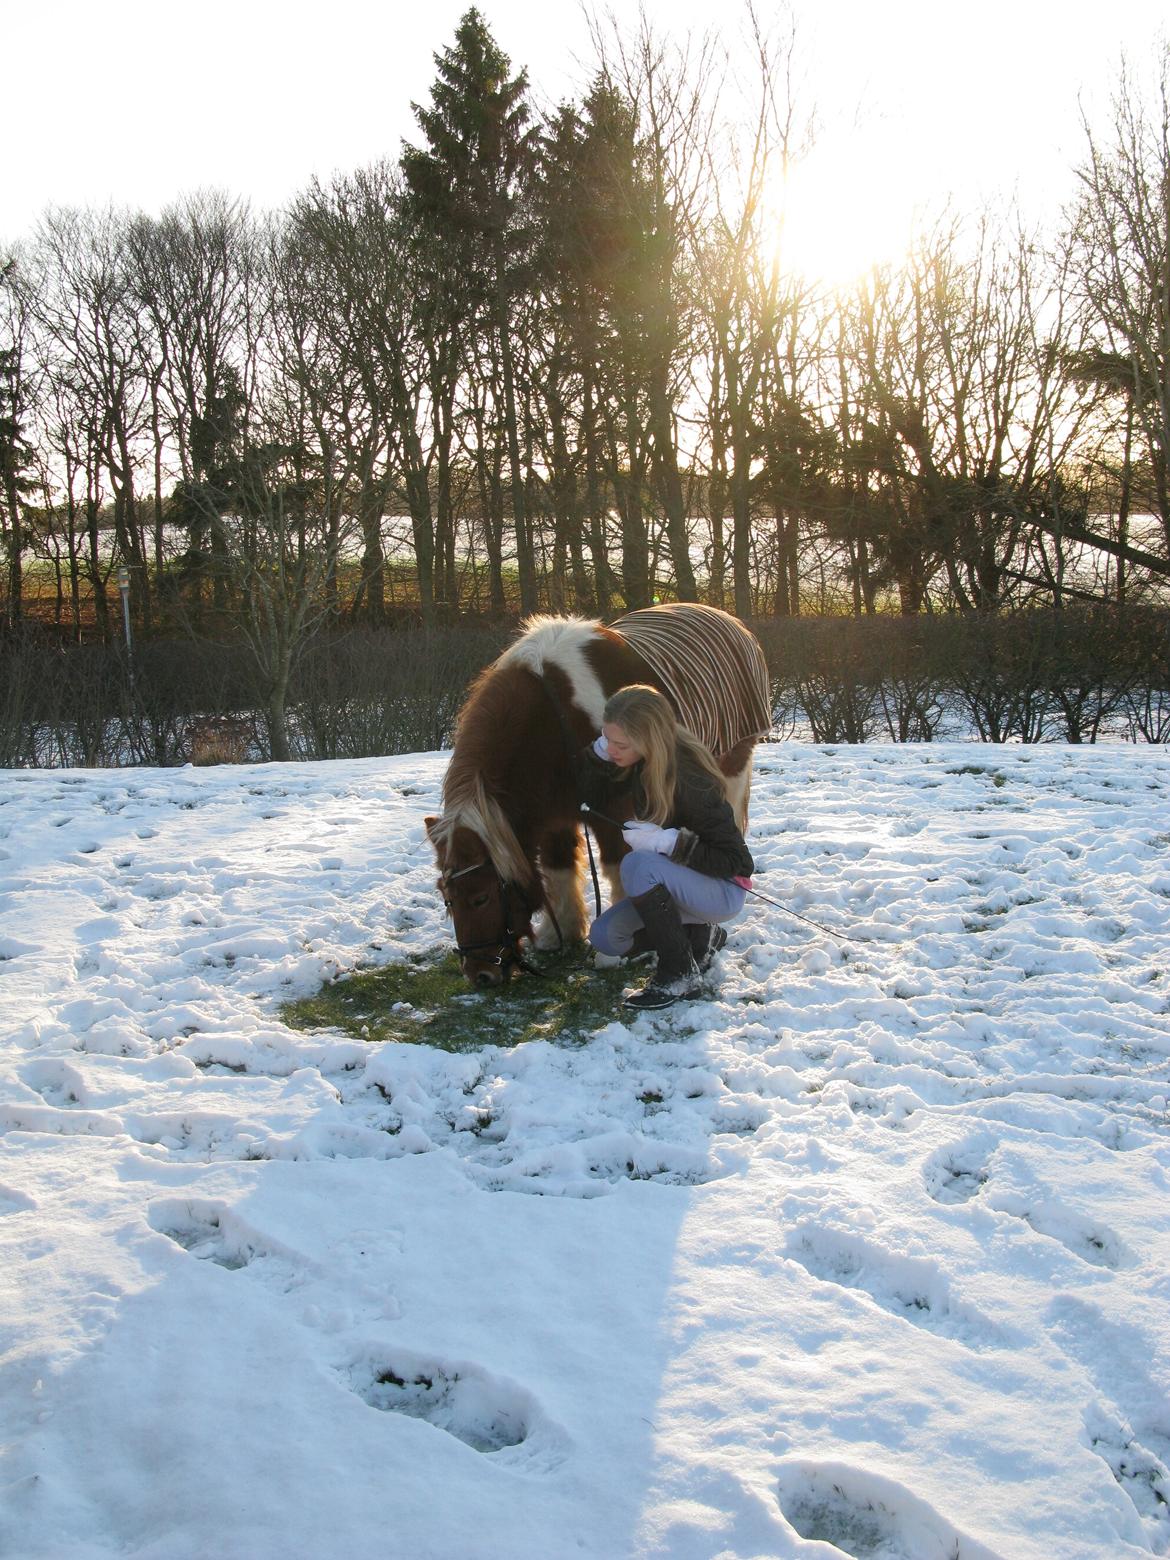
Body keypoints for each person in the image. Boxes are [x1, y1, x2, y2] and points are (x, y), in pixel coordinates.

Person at [576, 684, 754, 1011]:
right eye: (607, 739)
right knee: (605, 937)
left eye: (619, 744)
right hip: (680, 886)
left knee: (637, 865)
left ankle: (678, 973)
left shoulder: (690, 780)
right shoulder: (639, 763)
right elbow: (584, 800)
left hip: (722, 890)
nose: (612, 749)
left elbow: (737, 861)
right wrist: (597, 757)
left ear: (648, 739)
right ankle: (701, 937)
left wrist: (666, 842)